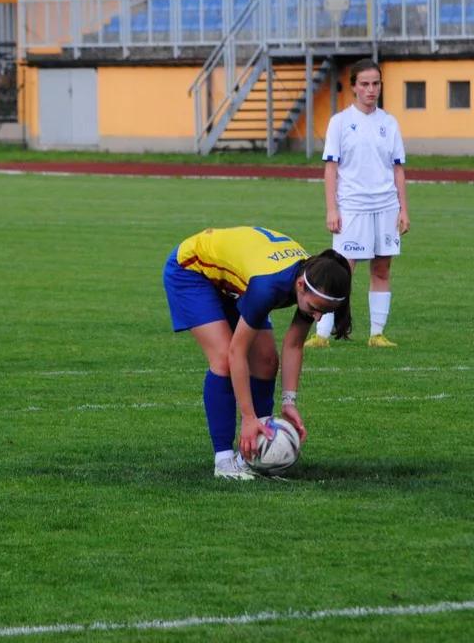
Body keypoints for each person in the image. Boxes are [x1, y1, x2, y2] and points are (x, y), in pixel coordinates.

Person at [163, 226, 353, 480]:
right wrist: (248, 417)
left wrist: (289, 403)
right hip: (191, 271)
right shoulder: (269, 287)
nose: (317, 317)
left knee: (265, 360)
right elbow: (236, 353)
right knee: (223, 359)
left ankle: (255, 454)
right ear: (300, 285)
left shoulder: (314, 278)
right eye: (315, 309)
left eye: (324, 313)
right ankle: (223, 461)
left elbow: (294, 344)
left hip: (236, 281)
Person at [305, 59, 410, 350]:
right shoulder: (340, 122)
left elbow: (398, 169)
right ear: (353, 87)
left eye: (375, 83)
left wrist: (403, 209)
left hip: (386, 206)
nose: (371, 89)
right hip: (352, 208)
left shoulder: (389, 123)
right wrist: (331, 209)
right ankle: (322, 334)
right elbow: (331, 169)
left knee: (381, 270)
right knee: (340, 271)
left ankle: (377, 334)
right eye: (364, 84)